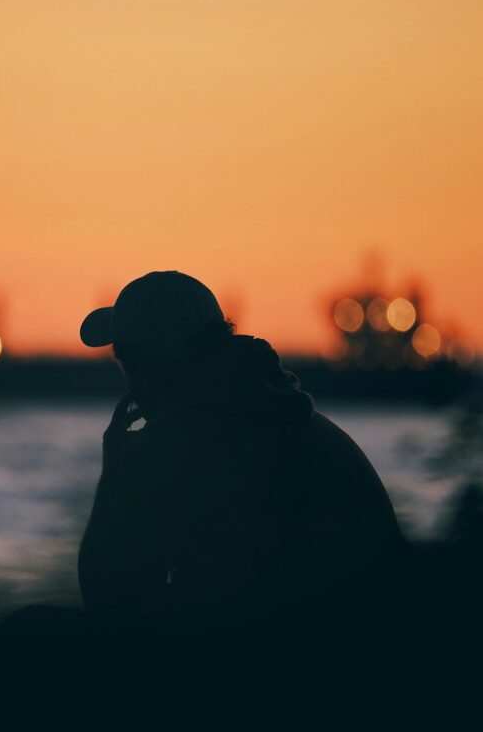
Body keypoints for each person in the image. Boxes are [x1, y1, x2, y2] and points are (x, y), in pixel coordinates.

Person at [77, 271, 407, 643]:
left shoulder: (179, 439)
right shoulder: (287, 411)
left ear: (140, 369)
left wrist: (113, 469)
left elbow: (106, 602)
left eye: (124, 362)